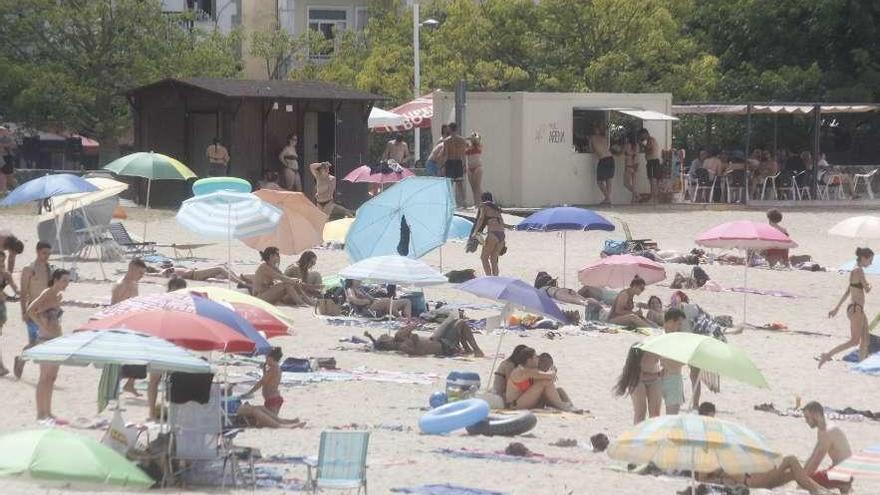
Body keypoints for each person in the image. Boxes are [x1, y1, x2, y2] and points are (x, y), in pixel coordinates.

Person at [27, 268, 70, 421]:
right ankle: (40, 413)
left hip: (56, 339)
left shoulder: (58, 296)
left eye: (68, 280)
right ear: (56, 280)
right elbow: (31, 310)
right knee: (44, 377)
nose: (67, 283)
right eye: (64, 280)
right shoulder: (47, 293)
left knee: (52, 377)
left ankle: (48, 411)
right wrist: (41, 325)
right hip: (45, 339)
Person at [820, 247, 873, 366]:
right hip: (856, 309)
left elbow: (847, 292)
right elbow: (867, 289)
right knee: (854, 341)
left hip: (856, 308)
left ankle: (861, 364)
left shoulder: (854, 270)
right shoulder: (859, 271)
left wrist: (836, 308)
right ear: (863, 258)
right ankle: (827, 355)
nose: (871, 263)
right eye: (870, 260)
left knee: (866, 340)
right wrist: (870, 285)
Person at [14, 241, 52, 379]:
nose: (46, 256)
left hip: (47, 311)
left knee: (47, 341)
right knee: (34, 343)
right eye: (44, 253)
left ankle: (45, 373)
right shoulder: (29, 269)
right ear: (37, 252)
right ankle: (21, 359)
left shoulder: (48, 268)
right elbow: (23, 293)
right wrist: (23, 312)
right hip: (33, 311)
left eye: (48, 253)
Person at [111, 259, 147, 397]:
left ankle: (130, 384)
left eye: (143, 273)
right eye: (140, 272)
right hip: (121, 326)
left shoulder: (134, 284)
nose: (141, 276)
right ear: (131, 268)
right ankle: (115, 387)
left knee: (140, 356)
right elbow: (113, 308)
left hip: (132, 325)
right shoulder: (121, 285)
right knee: (121, 359)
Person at [506, 346, 577, 412]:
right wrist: (553, 370)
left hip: (525, 401)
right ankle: (562, 406)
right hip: (515, 405)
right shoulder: (523, 371)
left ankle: (572, 407)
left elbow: (549, 380)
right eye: (536, 357)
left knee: (559, 390)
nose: (538, 359)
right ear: (530, 360)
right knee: (543, 382)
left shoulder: (530, 369)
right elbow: (549, 376)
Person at [613, 344, 662, 424]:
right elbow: (636, 372)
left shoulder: (662, 349)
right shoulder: (640, 350)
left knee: (655, 413)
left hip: (655, 378)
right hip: (637, 379)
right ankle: (638, 435)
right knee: (640, 411)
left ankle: (653, 434)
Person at [470, 192, 505, 276]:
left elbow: (481, 218)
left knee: (484, 258)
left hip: (493, 234)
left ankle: (489, 279)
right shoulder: (496, 208)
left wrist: (475, 231)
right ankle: (495, 279)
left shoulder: (484, 206)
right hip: (502, 236)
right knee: (494, 259)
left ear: (483, 199)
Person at [659, 309, 687, 414]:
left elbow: (681, 362)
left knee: (670, 417)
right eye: (678, 324)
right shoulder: (661, 338)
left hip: (669, 378)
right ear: (671, 321)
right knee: (667, 418)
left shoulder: (677, 339)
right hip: (665, 378)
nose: (680, 327)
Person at [242, 347, 285, 414]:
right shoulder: (275, 368)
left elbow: (261, 382)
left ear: (271, 358)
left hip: (272, 399)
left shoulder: (273, 369)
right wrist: (264, 370)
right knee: (273, 419)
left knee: (273, 420)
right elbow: (268, 380)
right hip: (274, 398)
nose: (266, 360)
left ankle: (292, 422)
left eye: (266, 358)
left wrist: (250, 392)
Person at [344, 279, 411, 318]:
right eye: (357, 279)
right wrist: (365, 301)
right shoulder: (350, 289)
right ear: (351, 280)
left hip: (374, 303)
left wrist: (368, 295)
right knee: (387, 301)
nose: (359, 280)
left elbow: (372, 299)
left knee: (406, 301)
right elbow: (353, 299)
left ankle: (408, 318)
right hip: (367, 308)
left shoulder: (360, 288)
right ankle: (400, 318)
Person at [0, 251, 21, 376]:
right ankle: (1, 366)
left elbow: (15, 288)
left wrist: (23, 293)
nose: (1, 263)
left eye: (2, 260)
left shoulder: (6, 274)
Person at [442, 123, 468, 206]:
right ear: (457, 129)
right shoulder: (462, 140)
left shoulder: (447, 141)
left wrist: (443, 166)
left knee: (449, 184)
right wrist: (464, 165)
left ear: (449, 129)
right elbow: (463, 154)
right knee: (459, 184)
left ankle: (449, 202)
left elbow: (446, 154)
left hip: (450, 162)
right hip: (459, 162)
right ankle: (463, 201)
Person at [591, 124, 614, 205]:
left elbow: (592, 149)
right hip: (610, 158)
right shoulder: (604, 138)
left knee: (600, 181)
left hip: (603, 159)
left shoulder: (592, 138)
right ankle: (607, 199)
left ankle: (608, 198)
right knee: (608, 180)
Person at [639, 128, 662, 203]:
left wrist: (643, 146)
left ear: (645, 134)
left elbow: (650, 150)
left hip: (653, 161)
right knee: (651, 180)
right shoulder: (648, 141)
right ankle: (654, 196)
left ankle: (654, 197)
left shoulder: (651, 140)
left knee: (653, 180)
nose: (642, 137)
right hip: (651, 162)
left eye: (642, 135)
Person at [465, 132, 483, 207]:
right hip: (470, 168)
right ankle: (476, 203)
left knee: (477, 186)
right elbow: (462, 141)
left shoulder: (479, 145)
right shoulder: (468, 147)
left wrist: (471, 137)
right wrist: (467, 139)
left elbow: (477, 139)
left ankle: (481, 203)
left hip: (477, 167)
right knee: (473, 187)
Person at [622, 133, 640, 203]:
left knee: (626, 183)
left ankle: (637, 194)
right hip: (636, 165)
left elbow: (621, 152)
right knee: (634, 184)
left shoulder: (627, 145)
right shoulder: (637, 145)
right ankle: (633, 199)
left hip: (628, 165)